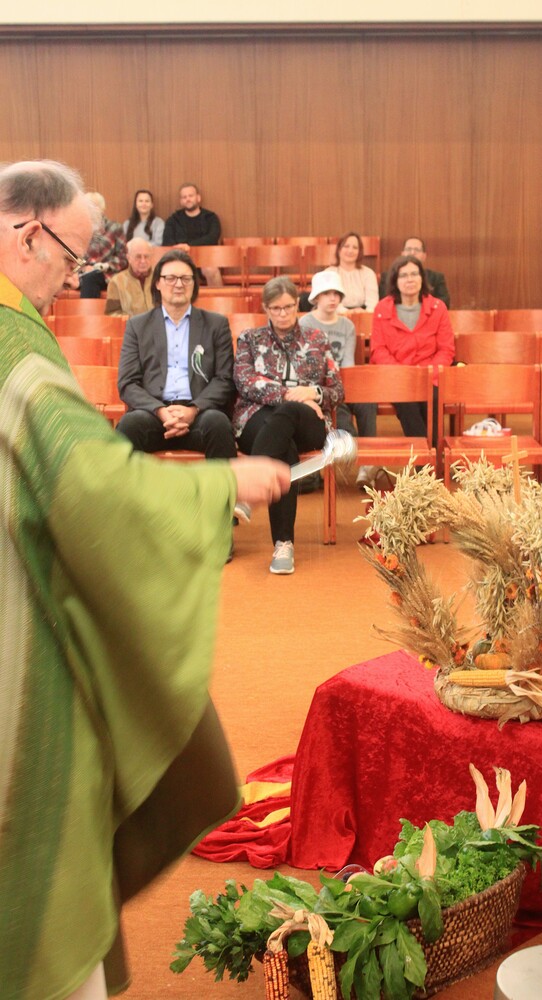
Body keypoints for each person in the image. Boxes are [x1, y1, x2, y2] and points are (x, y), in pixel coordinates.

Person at [0, 158, 290, 1000]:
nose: (72, 279)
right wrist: (218, 487)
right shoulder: (14, 340)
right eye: (70, 257)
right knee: (44, 793)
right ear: (27, 234)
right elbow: (89, 487)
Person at [233, 276, 343, 575]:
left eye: (288, 307)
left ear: (297, 305)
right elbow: (245, 382)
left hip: (309, 422)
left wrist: (313, 393)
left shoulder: (317, 338)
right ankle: (284, 545)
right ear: (265, 308)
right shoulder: (250, 339)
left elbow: (336, 390)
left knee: (290, 414)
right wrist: (290, 395)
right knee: (284, 446)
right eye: (276, 308)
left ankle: (247, 492)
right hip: (256, 418)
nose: (283, 314)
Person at [117, 248, 237, 463]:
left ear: (194, 283)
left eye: (185, 278)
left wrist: (193, 410)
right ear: (158, 283)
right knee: (129, 426)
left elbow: (224, 379)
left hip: (200, 414)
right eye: (171, 278)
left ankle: (222, 487)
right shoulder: (138, 326)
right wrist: (161, 411)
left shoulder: (216, 324)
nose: (179, 284)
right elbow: (128, 382)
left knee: (218, 423)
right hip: (153, 415)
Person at [300, 269, 378, 489]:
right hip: (321, 388)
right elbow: (306, 367)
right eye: (327, 293)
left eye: (336, 294)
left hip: (343, 382)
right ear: (316, 297)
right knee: (341, 417)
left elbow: (347, 363)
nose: (332, 298)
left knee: (367, 403)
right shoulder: (305, 323)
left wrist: (343, 387)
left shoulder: (347, 326)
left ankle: (368, 464)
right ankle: (352, 450)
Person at [371, 254, 455, 438]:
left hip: (430, 376)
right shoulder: (381, 309)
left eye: (414, 274)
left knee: (433, 398)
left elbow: (446, 349)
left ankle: (430, 453)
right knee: (406, 400)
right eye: (403, 275)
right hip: (397, 377)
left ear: (422, 278)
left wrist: (427, 374)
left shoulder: (438, 307)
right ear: (395, 280)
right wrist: (403, 375)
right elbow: (378, 350)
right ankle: (428, 455)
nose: (410, 279)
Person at [162, 182, 222, 288]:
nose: (188, 199)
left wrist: (188, 246)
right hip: (180, 259)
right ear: (181, 201)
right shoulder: (173, 219)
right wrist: (180, 249)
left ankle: (218, 299)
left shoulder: (210, 217)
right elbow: (167, 242)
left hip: (206, 258)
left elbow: (213, 237)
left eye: (190, 196)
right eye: (184, 197)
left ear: (198, 198)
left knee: (211, 270)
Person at [78, 191, 128, 298]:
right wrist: (83, 268)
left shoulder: (115, 228)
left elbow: (123, 259)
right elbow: (72, 255)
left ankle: (88, 310)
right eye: (87, 206)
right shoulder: (78, 229)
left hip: (106, 273)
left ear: (102, 208)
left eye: (95, 206)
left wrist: (103, 266)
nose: (91, 210)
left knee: (90, 278)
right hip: (82, 272)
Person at [378, 236, 450, 306]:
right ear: (402, 254)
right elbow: (383, 302)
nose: (412, 253)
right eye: (408, 249)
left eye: (417, 250)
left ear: (424, 256)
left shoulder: (436, 277)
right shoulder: (387, 276)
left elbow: (444, 302)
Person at [327, 230, 379, 314]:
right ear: (339, 249)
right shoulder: (329, 273)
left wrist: (364, 315)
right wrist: (349, 313)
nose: (350, 251)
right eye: (346, 246)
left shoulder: (368, 273)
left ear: (359, 252)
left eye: (355, 247)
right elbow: (329, 302)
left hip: (363, 315)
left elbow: (373, 304)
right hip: (337, 315)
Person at [104, 236, 153, 316]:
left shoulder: (160, 279)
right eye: (138, 257)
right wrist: (132, 320)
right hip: (130, 323)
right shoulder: (116, 282)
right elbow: (111, 313)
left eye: (146, 256)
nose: (143, 261)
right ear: (129, 258)